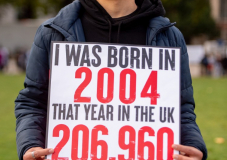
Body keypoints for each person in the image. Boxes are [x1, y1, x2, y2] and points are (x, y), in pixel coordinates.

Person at [15, 0, 207, 160]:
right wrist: (30, 145)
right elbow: (33, 102)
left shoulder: (170, 37)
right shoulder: (52, 33)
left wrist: (193, 146)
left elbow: (181, 109)